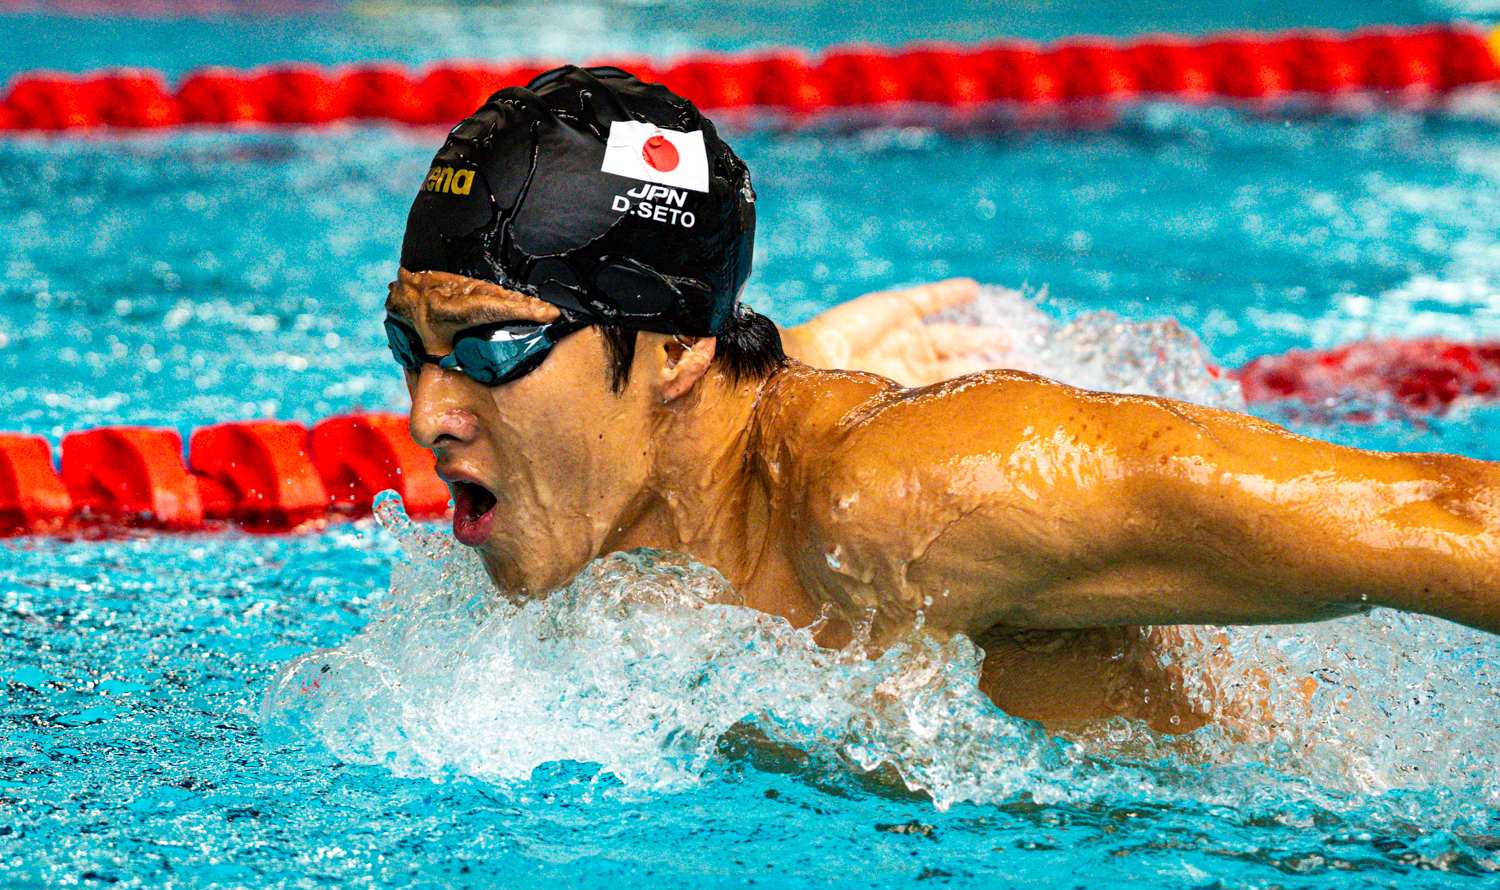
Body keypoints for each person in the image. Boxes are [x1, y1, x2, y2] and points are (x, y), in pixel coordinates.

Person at [384, 65, 1499, 733]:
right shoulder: (599, 504)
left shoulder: (919, 498)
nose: (430, 412)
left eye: (488, 349)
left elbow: (1445, 518)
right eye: (411, 347)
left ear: (675, 353)